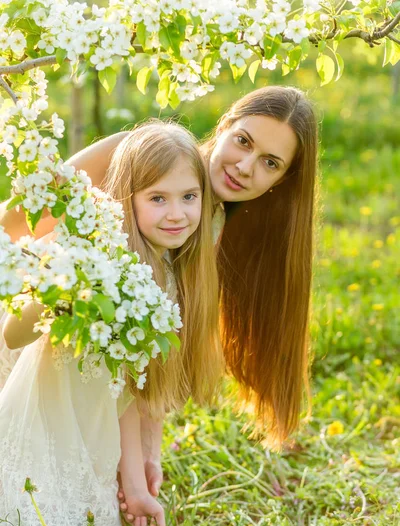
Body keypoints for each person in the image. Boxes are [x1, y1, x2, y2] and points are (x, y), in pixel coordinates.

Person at [0, 85, 318, 495]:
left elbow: (158, 344)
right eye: (243, 141)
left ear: (282, 180)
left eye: (270, 163)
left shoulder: (216, 224)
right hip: (29, 319)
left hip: (90, 374)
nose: (244, 166)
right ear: (223, 127)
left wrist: (148, 449)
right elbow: (13, 223)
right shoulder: (133, 155)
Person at [0, 121, 223, 526]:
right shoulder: (92, 253)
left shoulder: (169, 282)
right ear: (128, 200)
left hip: (90, 438)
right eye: (157, 198)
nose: (176, 213)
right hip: (37, 425)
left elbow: (128, 393)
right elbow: (13, 334)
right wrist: (64, 286)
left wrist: (136, 486)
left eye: (188, 197)